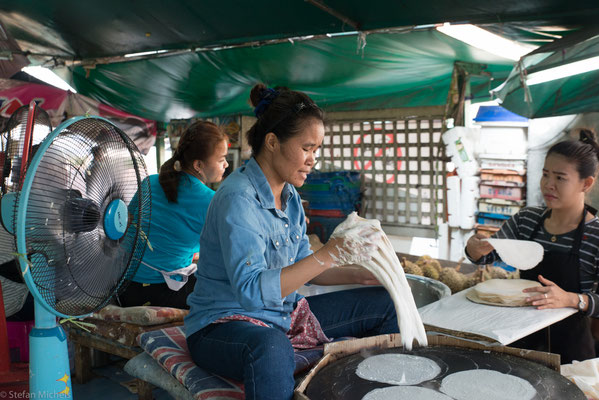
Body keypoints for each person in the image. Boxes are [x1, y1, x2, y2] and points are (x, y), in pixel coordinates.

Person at [184, 84, 398, 400]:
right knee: (271, 347)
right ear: (272, 142)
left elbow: (307, 267)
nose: (312, 160)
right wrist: (330, 254)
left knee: (385, 303)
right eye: (307, 148)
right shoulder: (238, 199)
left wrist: (364, 272)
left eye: (316, 150)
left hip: (283, 316)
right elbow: (252, 292)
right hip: (221, 326)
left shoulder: (291, 197)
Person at [465, 129, 599, 363]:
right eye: (545, 174)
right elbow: (486, 256)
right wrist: (475, 250)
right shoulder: (527, 220)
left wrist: (571, 299)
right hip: (520, 339)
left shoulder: (596, 234)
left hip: (570, 354)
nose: (548, 184)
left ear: (586, 183)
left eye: (560, 178)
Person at [119, 121, 229, 309]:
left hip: (124, 288)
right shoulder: (212, 201)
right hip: (160, 292)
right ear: (198, 165)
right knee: (229, 286)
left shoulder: (149, 182)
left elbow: (127, 223)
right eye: (221, 160)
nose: (226, 164)